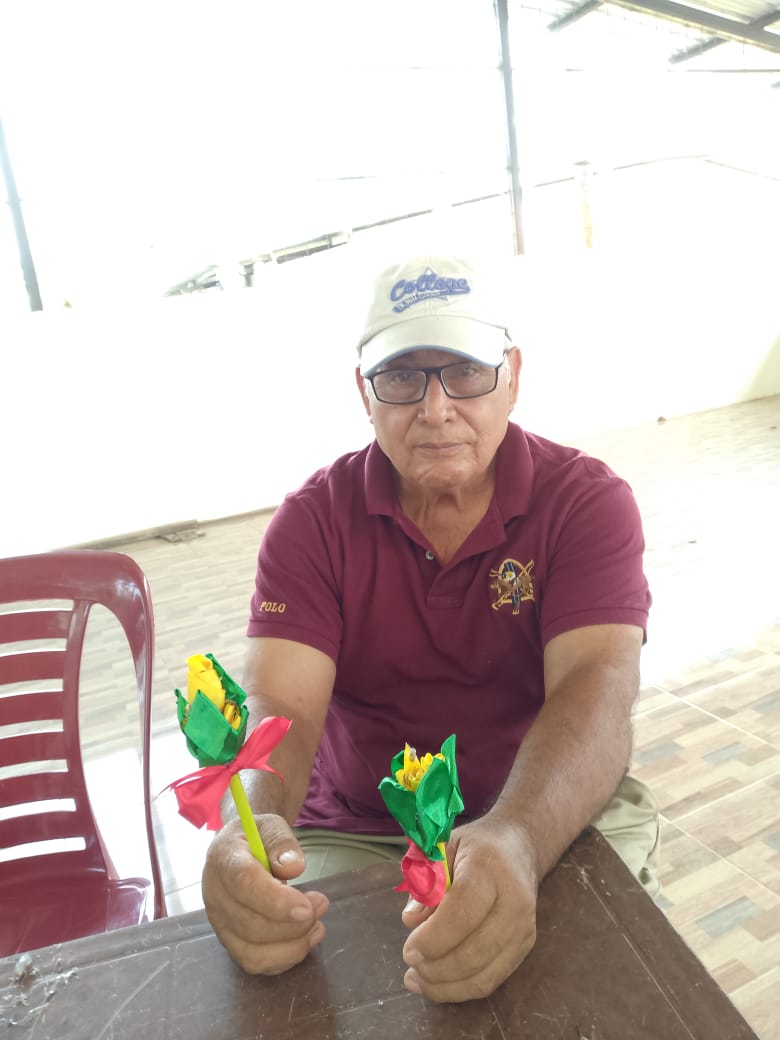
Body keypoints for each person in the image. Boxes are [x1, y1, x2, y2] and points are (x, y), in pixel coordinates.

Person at [202, 253, 660, 1003]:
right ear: (365, 392)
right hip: (359, 824)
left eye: (466, 372)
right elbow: (281, 707)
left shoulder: (584, 504)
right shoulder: (313, 523)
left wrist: (517, 834)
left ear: (512, 376)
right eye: (402, 377)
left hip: (548, 806)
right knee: (290, 972)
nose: (437, 408)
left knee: (614, 989)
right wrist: (246, 826)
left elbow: (596, 688)